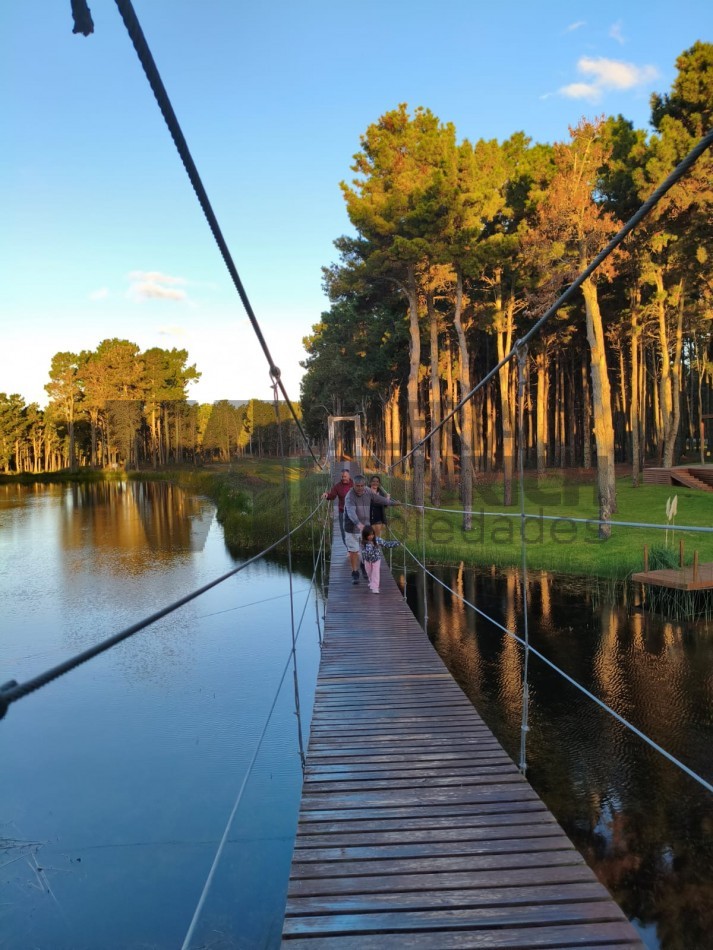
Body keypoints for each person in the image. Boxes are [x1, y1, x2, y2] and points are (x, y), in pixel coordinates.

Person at [344, 475, 400, 584]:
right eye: (357, 486)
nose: (360, 488)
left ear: (365, 485)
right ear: (353, 485)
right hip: (352, 527)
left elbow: (379, 499)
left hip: (366, 525)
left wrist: (393, 503)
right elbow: (351, 513)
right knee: (354, 550)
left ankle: (363, 565)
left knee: (367, 548)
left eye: (362, 486)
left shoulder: (368, 491)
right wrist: (358, 524)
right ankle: (355, 573)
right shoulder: (349, 496)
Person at [361, 524, 399, 594]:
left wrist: (397, 543)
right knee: (369, 572)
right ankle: (371, 581)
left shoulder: (377, 540)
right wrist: (369, 545)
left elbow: (386, 544)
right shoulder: (364, 543)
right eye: (369, 535)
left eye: (372, 534)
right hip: (367, 560)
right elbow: (364, 553)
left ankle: (375, 587)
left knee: (375, 573)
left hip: (376, 559)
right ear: (365, 536)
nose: (371, 536)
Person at [322, 469, 353, 546]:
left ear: (349, 476)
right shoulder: (338, 486)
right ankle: (348, 549)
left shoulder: (355, 484)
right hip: (342, 511)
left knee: (353, 530)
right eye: (342, 476)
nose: (343, 478)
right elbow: (332, 495)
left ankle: (354, 548)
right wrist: (327, 495)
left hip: (353, 511)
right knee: (343, 530)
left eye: (345, 476)